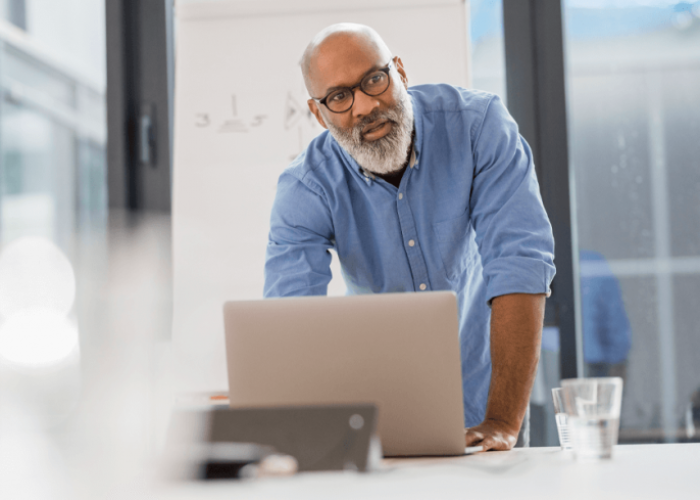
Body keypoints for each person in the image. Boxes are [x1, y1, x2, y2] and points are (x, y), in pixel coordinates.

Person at [263, 23, 555, 451]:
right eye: (339, 97)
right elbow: (291, 323)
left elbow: (519, 262)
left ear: (399, 71)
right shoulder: (306, 187)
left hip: (490, 401)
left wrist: (501, 420)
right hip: (374, 419)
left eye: (374, 80)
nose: (363, 106)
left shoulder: (479, 127)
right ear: (318, 113)